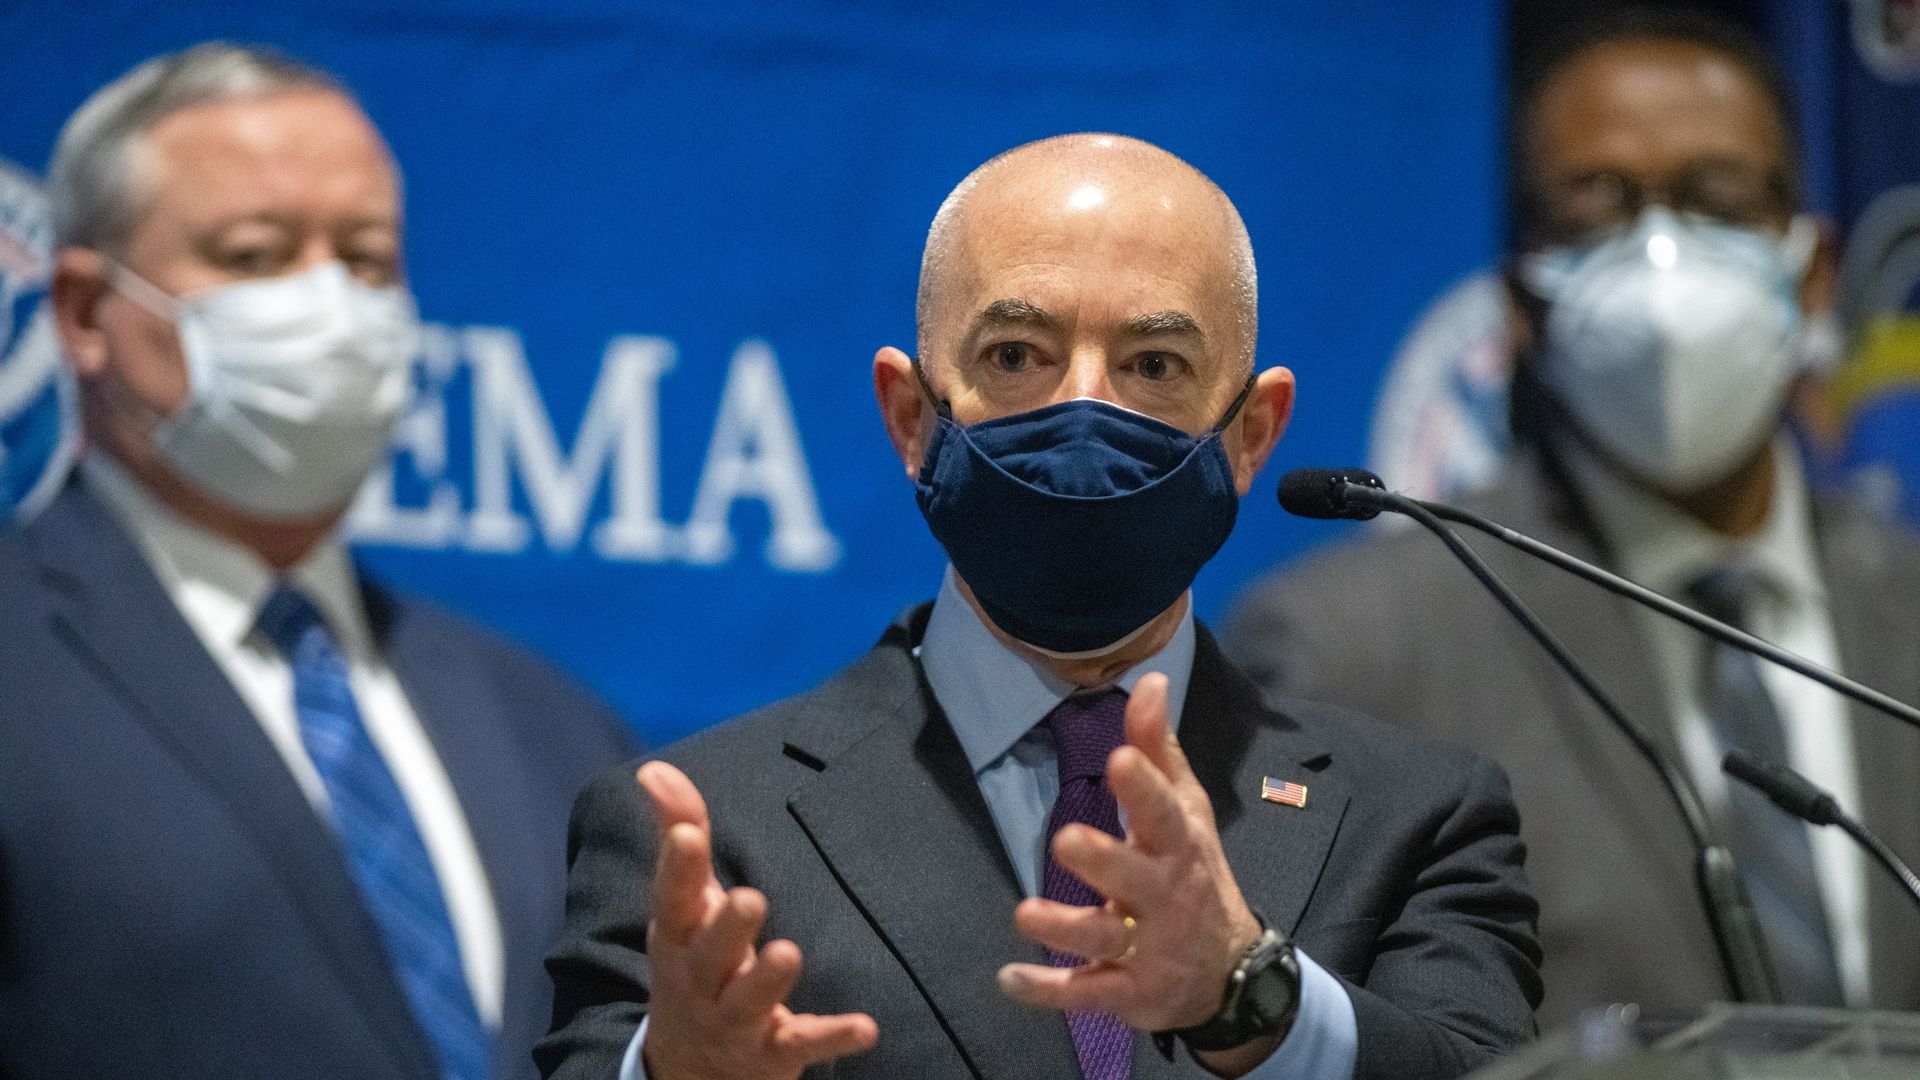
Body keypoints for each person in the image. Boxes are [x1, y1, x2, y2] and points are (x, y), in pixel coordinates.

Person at [538, 134, 1541, 1080]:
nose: (1083, 413)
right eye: (1016, 355)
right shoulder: (702, 835)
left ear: (1252, 434)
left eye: (1154, 366)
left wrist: (1256, 1000)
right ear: (912, 417)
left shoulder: (1420, 818)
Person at [1226, 9, 1920, 1029]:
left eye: (1718, 198)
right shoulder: (1353, 657)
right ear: (1521, 298)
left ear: (1813, 273)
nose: (1664, 257)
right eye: (1597, 208)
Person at [0, 44, 637, 1080]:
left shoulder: (552, 727)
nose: (328, 308)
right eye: (254, 255)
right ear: (82, 312)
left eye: (367, 258)